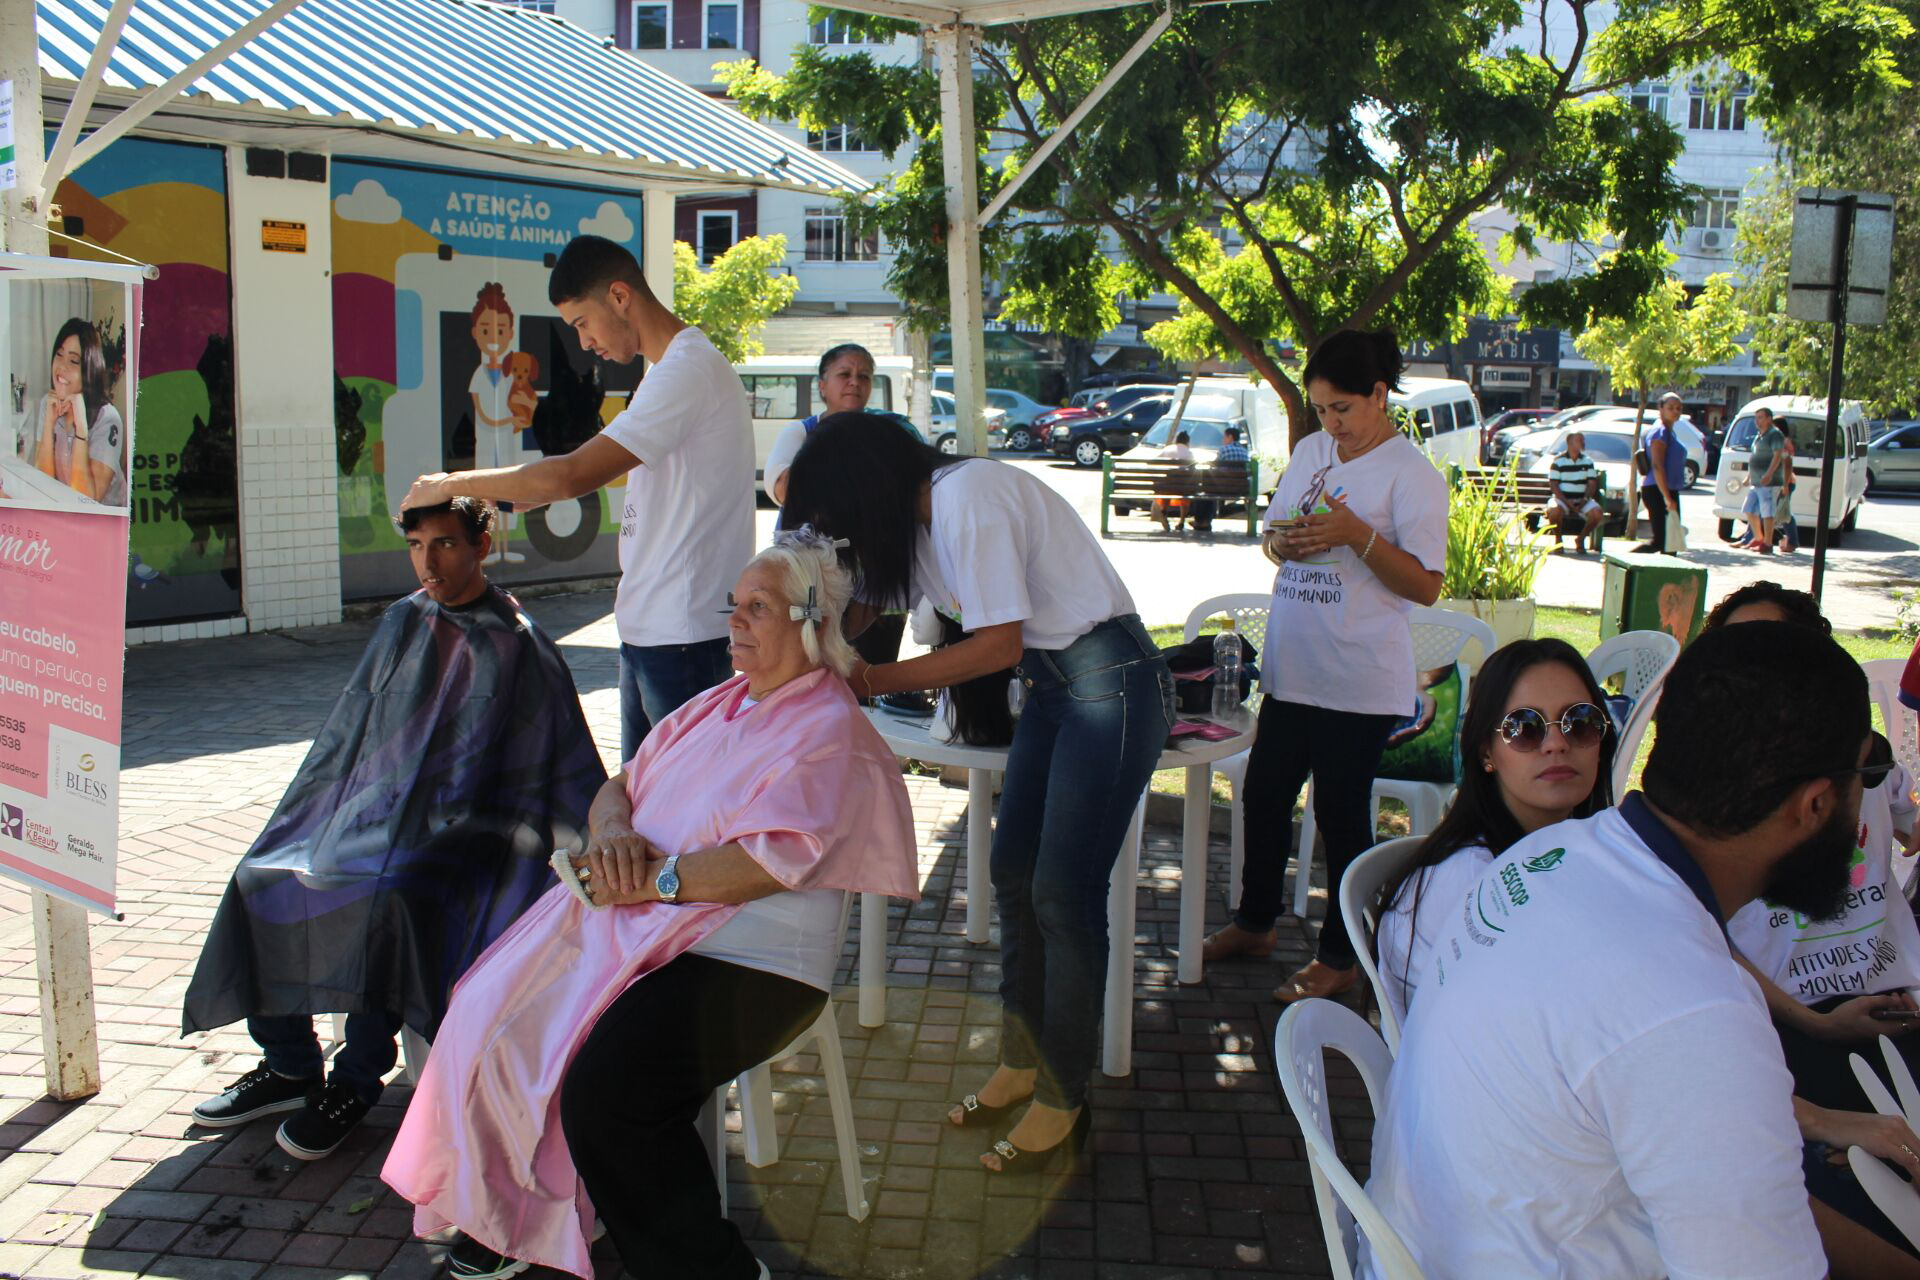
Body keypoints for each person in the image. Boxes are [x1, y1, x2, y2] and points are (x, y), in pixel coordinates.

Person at [382, 532, 918, 1280]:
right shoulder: (721, 702)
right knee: (489, 1013)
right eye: (734, 606)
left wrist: (651, 881)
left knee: (608, 1089)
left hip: (751, 961)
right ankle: (514, 1208)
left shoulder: (827, 730)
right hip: (650, 929)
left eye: (756, 608)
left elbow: (770, 862)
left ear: (810, 622)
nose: (734, 622)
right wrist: (613, 833)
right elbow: (620, 784)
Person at [1361, 622, 1902, 1280]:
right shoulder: (1693, 1011)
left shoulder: (1547, 856)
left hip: (1423, 1246)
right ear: (1815, 803)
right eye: (1865, 775)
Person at [782, 413, 1172, 1176]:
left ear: (865, 485)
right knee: (1014, 878)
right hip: (1060, 692)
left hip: (1112, 684)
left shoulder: (970, 498)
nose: (838, 531)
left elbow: (997, 644)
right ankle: (1021, 1065)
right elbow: (868, 605)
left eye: (835, 513)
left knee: (1062, 890)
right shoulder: (921, 525)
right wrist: (806, 617)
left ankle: (1065, 1097)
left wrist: (868, 679)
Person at [184, 498, 605, 1160]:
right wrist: (347, 812)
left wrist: (428, 819)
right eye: (416, 545)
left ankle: (358, 1079)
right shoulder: (405, 619)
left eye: (445, 544)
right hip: (390, 814)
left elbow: (534, 769)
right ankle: (291, 1066)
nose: (429, 561)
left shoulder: (515, 641)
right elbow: (358, 738)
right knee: (264, 876)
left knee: (391, 898)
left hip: (478, 835)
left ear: (481, 546)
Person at [401, 235, 753, 759]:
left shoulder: (688, 369)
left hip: (682, 633)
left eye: (581, 323)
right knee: (641, 807)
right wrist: (519, 493)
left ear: (618, 296)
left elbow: (568, 476)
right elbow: (580, 473)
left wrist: (451, 483)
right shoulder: (665, 372)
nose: (585, 343)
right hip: (651, 626)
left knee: (679, 812)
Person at [1202, 329, 1448, 1006]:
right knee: (1263, 797)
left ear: (1378, 394)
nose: (1330, 424)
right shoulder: (1313, 451)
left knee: (1341, 815)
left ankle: (1341, 958)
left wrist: (1355, 536)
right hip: (1295, 664)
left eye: (1342, 408)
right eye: (1321, 409)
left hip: (1359, 679)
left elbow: (1426, 587)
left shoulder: (1413, 477)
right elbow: (1272, 539)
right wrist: (1285, 543)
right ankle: (1255, 923)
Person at [1373, 638, 1615, 1025]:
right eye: (1525, 728)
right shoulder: (1474, 879)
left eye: (1580, 722)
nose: (1556, 744)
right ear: (1486, 752)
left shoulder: (1580, 853)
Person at [762, 344, 919, 698]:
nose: (854, 383)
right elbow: (785, 489)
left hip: (878, 587)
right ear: (822, 385)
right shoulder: (800, 434)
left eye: (864, 375)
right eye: (844, 374)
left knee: (864, 687)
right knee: (806, 683)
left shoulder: (892, 432)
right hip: (811, 584)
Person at [19, 318, 127, 506]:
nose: (61, 367)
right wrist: (48, 426)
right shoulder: (48, 403)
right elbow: (43, 483)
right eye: (59, 355)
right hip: (66, 509)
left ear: (88, 370)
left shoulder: (108, 419)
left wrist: (81, 431)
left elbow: (87, 501)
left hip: (106, 520)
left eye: (74, 361)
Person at [1633, 391, 1690, 554]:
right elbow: (1657, 466)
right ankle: (1621, 566)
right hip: (1657, 490)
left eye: (1679, 408)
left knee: (1670, 543)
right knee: (1661, 542)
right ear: (1661, 409)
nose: (1675, 411)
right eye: (1671, 408)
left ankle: (1667, 578)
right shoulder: (1660, 432)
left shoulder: (1669, 431)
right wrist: (1667, 497)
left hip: (1668, 489)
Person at [1543, 431, 1604, 553]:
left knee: (1597, 513)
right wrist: (1566, 502)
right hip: (1562, 499)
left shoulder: (1588, 462)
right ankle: (1558, 540)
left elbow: (1592, 484)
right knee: (1554, 511)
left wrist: (1584, 500)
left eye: (1582, 440)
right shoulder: (1558, 462)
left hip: (1582, 499)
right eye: (1579, 440)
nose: (1582, 443)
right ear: (1569, 443)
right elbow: (1554, 485)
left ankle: (1581, 539)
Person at [1738, 406, 1788, 554]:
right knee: (1748, 508)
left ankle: (1767, 543)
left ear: (1769, 419)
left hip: (1769, 482)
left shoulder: (1775, 434)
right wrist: (1748, 476)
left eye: (1760, 417)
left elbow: (1778, 455)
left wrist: (1769, 474)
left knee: (1767, 511)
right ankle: (1759, 537)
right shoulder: (1759, 435)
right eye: (1756, 417)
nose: (1757, 421)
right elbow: (1754, 457)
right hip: (1756, 481)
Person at [1153, 429, 1196, 531]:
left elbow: (1154, 463)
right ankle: (1181, 521)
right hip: (1182, 488)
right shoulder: (1189, 453)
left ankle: (1164, 512)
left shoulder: (1167, 449)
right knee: (1184, 495)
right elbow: (1193, 470)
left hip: (1165, 486)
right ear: (1187, 442)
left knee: (1166, 488)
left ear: (1176, 440)